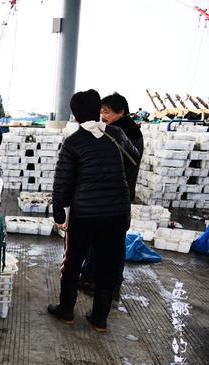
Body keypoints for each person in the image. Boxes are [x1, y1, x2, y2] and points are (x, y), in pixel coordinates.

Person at [49, 89, 139, 333]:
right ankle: (99, 318)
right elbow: (134, 156)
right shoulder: (117, 134)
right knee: (108, 265)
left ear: (76, 115)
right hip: (117, 213)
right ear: (99, 109)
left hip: (85, 214)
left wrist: (59, 212)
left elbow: (63, 181)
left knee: (73, 262)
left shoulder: (74, 142)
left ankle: (66, 310)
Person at [79, 93, 145, 294]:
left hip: (113, 197)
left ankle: (104, 284)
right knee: (105, 242)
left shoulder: (123, 133)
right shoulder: (121, 130)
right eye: (101, 111)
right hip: (114, 197)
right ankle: (97, 279)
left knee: (109, 245)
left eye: (106, 112)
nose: (102, 115)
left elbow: (117, 164)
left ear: (121, 112)